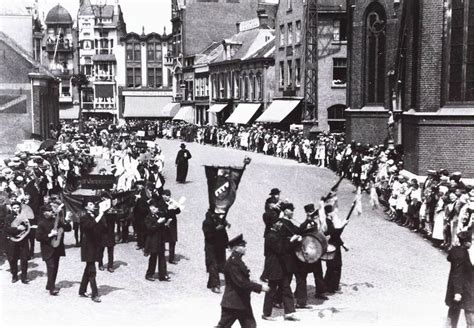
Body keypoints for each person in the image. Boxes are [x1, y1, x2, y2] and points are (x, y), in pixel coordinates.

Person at [216, 234, 269, 328]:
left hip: (241, 302)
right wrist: (260, 287)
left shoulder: (237, 260)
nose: (245, 248)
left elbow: (241, 279)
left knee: (250, 326)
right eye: (243, 246)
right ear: (236, 248)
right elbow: (241, 282)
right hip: (233, 303)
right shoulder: (233, 263)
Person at [35, 203, 72, 295]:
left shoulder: (56, 220)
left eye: (52, 211)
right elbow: (38, 237)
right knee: (51, 267)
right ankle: (52, 288)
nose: (52, 212)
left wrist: (67, 221)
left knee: (55, 267)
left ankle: (49, 284)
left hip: (57, 247)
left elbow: (67, 228)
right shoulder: (41, 223)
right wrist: (49, 235)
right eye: (50, 211)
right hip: (47, 249)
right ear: (44, 213)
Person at [298, 203, 328, 301]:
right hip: (307, 252)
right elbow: (300, 232)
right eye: (310, 212)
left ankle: (320, 292)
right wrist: (307, 221)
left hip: (315, 251)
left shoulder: (315, 223)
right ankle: (299, 293)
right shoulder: (304, 224)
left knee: (318, 273)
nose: (312, 214)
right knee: (302, 275)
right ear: (307, 213)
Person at [79, 200, 105, 303]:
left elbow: (100, 228)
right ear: (86, 207)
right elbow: (90, 226)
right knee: (92, 270)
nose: (93, 205)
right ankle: (94, 294)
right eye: (90, 204)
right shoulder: (84, 217)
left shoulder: (93, 215)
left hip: (94, 245)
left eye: (92, 203)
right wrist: (100, 215)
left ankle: (82, 290)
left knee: (88, 268)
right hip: (88, 246)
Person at [445, 231, 473, 328]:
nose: (471, 243)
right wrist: (458, 292)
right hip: (463, 288)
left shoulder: (456, 251)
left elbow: (449, 258)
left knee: (453, 311)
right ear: (466, 243)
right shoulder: (462, 254)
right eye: (470, 241)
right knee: (470, 312)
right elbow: (458, 274)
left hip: (457, 286)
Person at [3, 201, 30, 283]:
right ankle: (14, 275)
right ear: (11, 208)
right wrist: (17, 228)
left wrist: (27, 223)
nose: (16, 209)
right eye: (14, 208)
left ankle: (24, 277)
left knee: (24, 259)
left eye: (18, 208)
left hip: (23, 240)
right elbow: (6, 229)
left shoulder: (23, 216)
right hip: (13, 241)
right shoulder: (8, 217)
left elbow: (28, 228)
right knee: (13, 259)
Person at [203, 210, 229, 293]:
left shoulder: (220, 221)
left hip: (220, 246)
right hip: (211, 247)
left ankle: (211, 282)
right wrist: (216, 229)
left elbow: (224, 234)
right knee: (213, 264)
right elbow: (208, 236)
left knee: (219, 264)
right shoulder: (207, 222)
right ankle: (215, 285)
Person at [144, 201, 170, 282]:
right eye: (152, 207)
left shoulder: (159, 215)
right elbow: (150, 229)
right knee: (153, 258)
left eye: (155, 207)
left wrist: (166, 224)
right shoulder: (148, 217)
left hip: (160, 240)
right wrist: (158, 223)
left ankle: (162, 275)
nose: (154, 208)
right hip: (153, 241)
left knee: (162, 258)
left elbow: (162, 228)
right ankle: (149, 274)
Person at [161, 189, 181, 264]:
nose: (167, 197)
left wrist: (175, 208)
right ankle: (161, 256)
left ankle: (171, 258)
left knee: (172, 241)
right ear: (163, 195)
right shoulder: (161, 202)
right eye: (166, 195)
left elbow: (178, 211)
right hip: (164, 223)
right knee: (162, 240)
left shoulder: (172, 202)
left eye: (168, 195)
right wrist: (168, 208)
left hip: (172, 223)